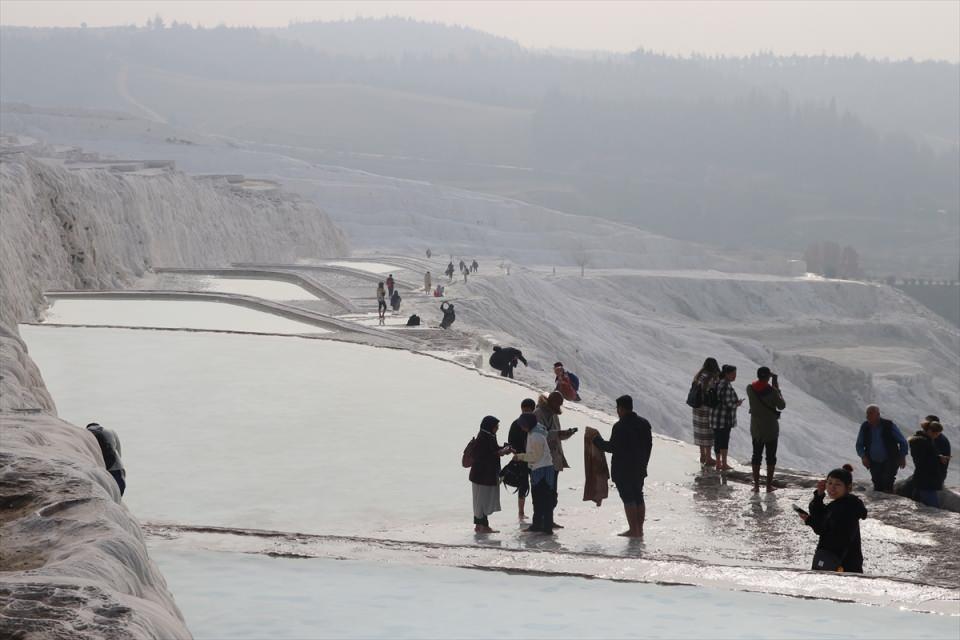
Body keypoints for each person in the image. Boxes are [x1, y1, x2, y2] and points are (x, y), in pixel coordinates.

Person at [592, 395, 653, 537]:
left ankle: (633, 529)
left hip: (623, 469)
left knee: (628, 498)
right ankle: (639, 529)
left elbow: (612, 447)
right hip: (639, 467)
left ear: (621, 408)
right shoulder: (644, 423)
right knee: (638, 496)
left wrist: (597, 441)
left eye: (618, 409)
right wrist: (644, 463)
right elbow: (649, 445)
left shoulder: (620, 426)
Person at [797, 464, 867, 573]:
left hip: (840, 561)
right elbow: (822, 518)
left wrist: (809, 520)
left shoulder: (847, 507)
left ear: (848, 487)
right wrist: (819, 495)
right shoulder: (839, 504)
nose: (832, 488)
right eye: (829, 483)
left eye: (837, 484)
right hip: (838, 560)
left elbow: (824, 529)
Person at [536, 392, 577, 527]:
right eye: (557, 404)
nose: (559, 407)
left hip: (554, 459)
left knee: (552, 492)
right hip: (542, 461)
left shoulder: (554, 415)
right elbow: (540, 435)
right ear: (551, 401)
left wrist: (566, 434)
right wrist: (558, 434)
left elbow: (556, 436)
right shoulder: (538, 414)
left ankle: (548, 520)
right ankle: (542, 521)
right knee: (544, 492)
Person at [469, 416, 514, 533]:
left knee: (480, 501)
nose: (497, 428)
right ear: (490, 427)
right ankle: (483, 526)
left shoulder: (488, 436)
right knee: (483, 500)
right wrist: (500, 452)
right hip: (482, 475)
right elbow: (483, 456)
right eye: (496, 426)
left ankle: (480, 526)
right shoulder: (483, 439)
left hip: (483, 475)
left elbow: (492, 451)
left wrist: (503, 449)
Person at [513, 412, 555, 533]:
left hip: (541, 469)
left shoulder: (536, 435)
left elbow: (535, 456)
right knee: (543, 499)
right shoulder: (536, 431)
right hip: (544, 468)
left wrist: (520, 456)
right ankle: (541, 525)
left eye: (522, 425)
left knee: (541, 500)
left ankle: (544, 527)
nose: (521, 428)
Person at [746, 366, 786, 493]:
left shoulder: (750, 388)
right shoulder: (772, 391)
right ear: (768, 377)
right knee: (771, 457)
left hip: (756, 428)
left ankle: (756, 486)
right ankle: (768, 486)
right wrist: (776, 387)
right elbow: (782, 406)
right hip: (770, 429)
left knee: (756, 455)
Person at [855, 405, 908, 492]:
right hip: (873, 460)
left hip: (890, 459)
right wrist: (863, 457)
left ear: (878, 414)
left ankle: (889, 501)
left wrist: (902, 456)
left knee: (888, 481)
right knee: (877, 482)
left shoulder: (889, 425)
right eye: (867, 414)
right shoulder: (865, 427)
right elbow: (859, 444)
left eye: (871, 414)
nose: (868, 416)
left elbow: (902, 441)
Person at [508, 398, 537, 519]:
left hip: (535, 459)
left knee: (536, 485)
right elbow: (511, 441)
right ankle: (521, 512)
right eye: (523, 410)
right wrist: (517, 453)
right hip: (521, 459)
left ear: (533, 410)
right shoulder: (516, 424)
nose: (525, 413)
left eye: (528, 410)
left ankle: (537, 511)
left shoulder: (536, 424)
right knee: (523, 485)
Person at [709, 364, 742, 471]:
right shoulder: (726, 385)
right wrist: (737, 404)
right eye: (733, 374)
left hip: (715, 416)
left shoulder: (717, 382)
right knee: (724, 441)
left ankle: (718, 463)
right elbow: (728, 403)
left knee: (717, 440)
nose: (735, 376)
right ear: (727, 374)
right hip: (724, 418)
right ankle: (724, 464)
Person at [691, 357, 721, 466]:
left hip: (697, 407)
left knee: (700, 432)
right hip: (707, 408)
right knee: (708, 433)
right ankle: (708, 457)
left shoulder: (699, 375)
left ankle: (702, 455)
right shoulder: (712, 378)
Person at [909, 421, 945, 507]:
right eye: (937, 434)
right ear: (930, 431)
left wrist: (938, 457)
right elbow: (924, 461)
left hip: (922, 478)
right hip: (926, 479)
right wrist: (938, 459)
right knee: (933, 507)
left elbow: (926, 458)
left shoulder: (923, 441)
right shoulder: (923, 443)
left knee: (918, 501)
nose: (937, 436)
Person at [85, 422, 126, 496]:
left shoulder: (86, 435)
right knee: (118, 495)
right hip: (116, 468)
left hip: (99, 473)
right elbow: (118, 451)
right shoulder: (110, 432)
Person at [923, 415, 951, 486]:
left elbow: (932, 457)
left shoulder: (939, 439)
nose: (924, 425)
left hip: (934, 476)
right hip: (930, 474)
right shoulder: (931, 437)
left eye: (927, 423)